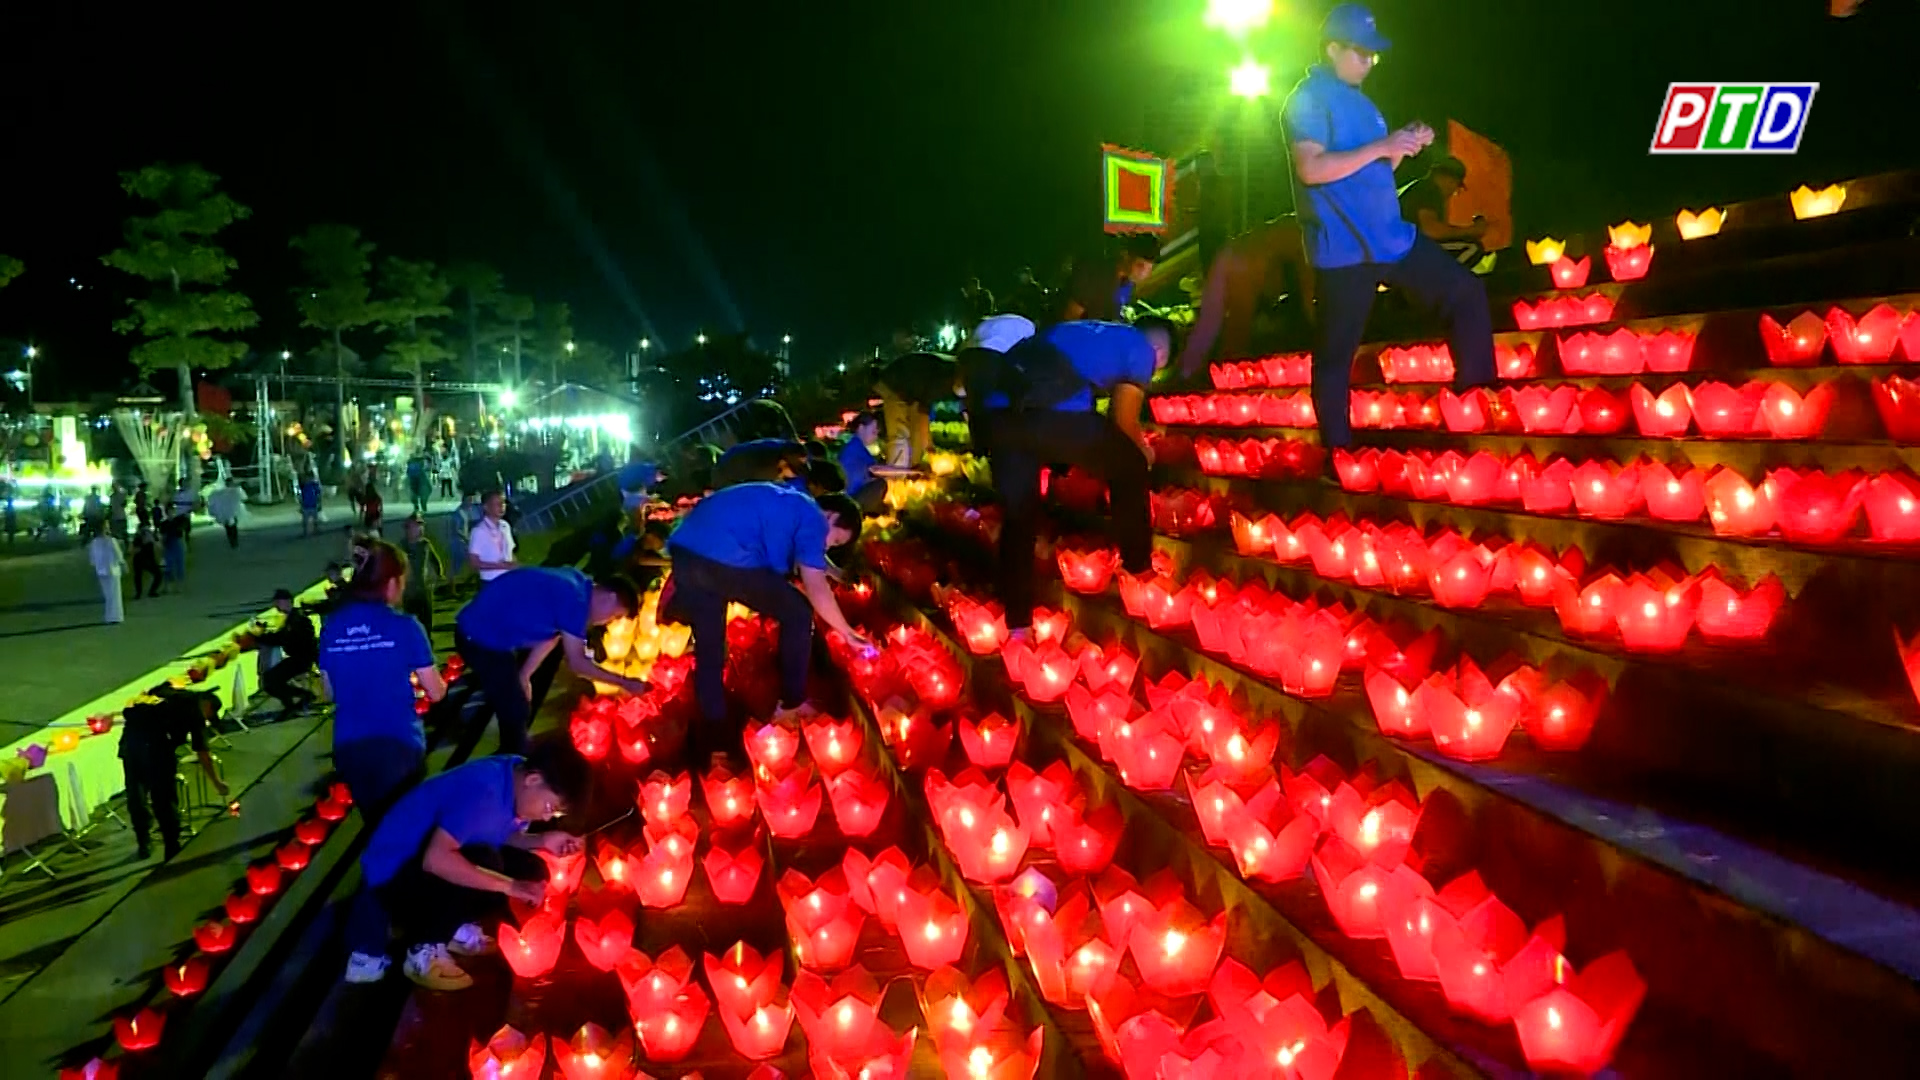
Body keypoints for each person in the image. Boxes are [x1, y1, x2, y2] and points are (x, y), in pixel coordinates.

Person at [1282, 3, 1494, 451]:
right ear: (1332, 48)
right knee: (1335, 357)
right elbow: (1310, 168)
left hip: (1392, 239)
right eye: (1361, 52)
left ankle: (1476, 410)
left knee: (1467, 293)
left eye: (1374, 54)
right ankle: (1339, 455)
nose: (1369, 62)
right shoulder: (1307, 98)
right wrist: (1383, 144)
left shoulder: (1364, 104)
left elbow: (1377, 168)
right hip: (1344, 250)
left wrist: (1402, 145)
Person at [979, 318, 1176, 640]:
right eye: (1158, 369)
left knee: (1019, 516)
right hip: (1052, 409)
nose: (1150, 374)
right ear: (1159, 350)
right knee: (1130, 465)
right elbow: (1124, 422)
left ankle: (1018, 625)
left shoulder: (1084, 331)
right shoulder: (1141, 348)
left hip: (1000, 415)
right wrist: (1145, 453)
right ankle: (1139, 570)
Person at [341, 739, 589, 990]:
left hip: (429, 857)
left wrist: (542, 840)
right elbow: (436, 860)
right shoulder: (485, 790)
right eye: (549, 807)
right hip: (393, 873)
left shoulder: (515, 772)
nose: (546, 817)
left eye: (555, 814)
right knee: (487, 862)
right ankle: (423, 951)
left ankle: (449, 925)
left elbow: (497, 832)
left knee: (531, 870)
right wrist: (511, 886)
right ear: (533, 779)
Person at [663, 484, 870, 766]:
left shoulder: (791, 504)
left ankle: (717, 745)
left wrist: (834, 571)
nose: (826, 546)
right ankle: (791, 703)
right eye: (834, 540)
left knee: (710, 652)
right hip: (728, 557)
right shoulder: (814, 519)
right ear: (831, 516)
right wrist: (845, 631)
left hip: (687, 554)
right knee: (798, 612)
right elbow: (815, 586)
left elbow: (812, 559)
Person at [453, 568, 648, 753]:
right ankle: (509, 761)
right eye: (614, 615)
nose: (608, 622)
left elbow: (551, 637)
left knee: (513, 696)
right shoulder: (575, 602)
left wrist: (525, 675)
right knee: (515, 708)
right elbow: (577, 663)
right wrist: (624, 682)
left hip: (489, 632)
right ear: (609, 598)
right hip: (478, 637)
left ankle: (511, 746)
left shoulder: (579, 584)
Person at [319, 539, 444, 819]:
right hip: (398, 742)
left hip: (350, 746)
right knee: (405, 825)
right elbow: (435, 691)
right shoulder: (405, 626)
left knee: (374, 824)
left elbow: (328, 692)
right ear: (391, 583)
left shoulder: (332, 626)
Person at [118, 689, 229, 859]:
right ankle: (171, 846)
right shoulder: (196, 711)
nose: (206, 719)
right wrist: (217, 782)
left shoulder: (174, 693)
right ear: (207, 705)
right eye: (209, 715)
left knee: (137, 797)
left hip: (132, 743)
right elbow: (202, 752)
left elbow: (150, 693)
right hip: (157, 749)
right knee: (164, 800)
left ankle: (144, 841)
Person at [872, 352, 961, 468]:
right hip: (895, 384)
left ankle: (915, 469)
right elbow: (923, 415)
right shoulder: (943, 380)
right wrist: (930, 449)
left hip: (913, 389)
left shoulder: (960, 375)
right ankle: (897, 475)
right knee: (900, 435)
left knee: (916, 436)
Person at [1399, 155, 1487, 265]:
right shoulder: (1429, 190)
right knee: (1471, 247)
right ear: (1450, 180)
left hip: (1396, 247)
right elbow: (1431, 231)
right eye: (1456, 188)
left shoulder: (1419, 187)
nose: (1453, 193)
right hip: (1404, 250)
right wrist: (1472, 231)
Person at [1060, 234, 1161, 323]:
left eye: (1149, 268)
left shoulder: (1127, 283)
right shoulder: (1096, 275)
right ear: (1126, 256)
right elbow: (1071, 318)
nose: (1144, 273)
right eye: (1140, 265)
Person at [256, 588, 320, 716]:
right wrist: (261, 637)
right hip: (298, 658)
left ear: (287, 601)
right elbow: (280, 637)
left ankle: (298, 700)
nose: (275, 606)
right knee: (270, 679)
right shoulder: (291, 618)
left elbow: (292, 639)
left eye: (277, 603)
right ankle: (299, 699)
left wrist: (267, 638)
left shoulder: (299, 619)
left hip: (302, 659)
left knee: (270, 680)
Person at [838, 412, 914, 514]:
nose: (875, 436)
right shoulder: (855, 447)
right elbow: (876, 470)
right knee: (880, 484)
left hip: (850, 497)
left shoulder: (855, 446)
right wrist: (909, 471)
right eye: (873, 432)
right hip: (852, 498)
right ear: (861, 428)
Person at [399, 513, 446, 636]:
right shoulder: (402, 546)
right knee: (410, 622)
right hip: (408, 591)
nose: (419, 529)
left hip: (424, 588)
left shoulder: (425, 544)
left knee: (427, 620)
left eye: (420, 525)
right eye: (416, 526)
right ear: (408, 528)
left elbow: (435, 560)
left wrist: (439, 574)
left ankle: (428, 642)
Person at [712, 438, 809, 489]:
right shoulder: (768, 468)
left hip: (727, 465)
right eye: (795, 471)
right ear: (783, 464)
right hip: (725, 479)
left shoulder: (779, 448)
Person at [467, 489, 515, 584]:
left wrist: (514, 566)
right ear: (486, 507)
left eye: (503, 503)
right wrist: (500, 566)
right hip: (490, 581)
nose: (501, 506)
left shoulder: (505, 526)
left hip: (508, 578)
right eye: (497, 504)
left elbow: (510, 553)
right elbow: (474, 562)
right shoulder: (479, 531)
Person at [88, 529, 127, 625]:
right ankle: (116, 616)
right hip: (113, 570)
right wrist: (123, 563)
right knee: (115, 594)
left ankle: (109, 616)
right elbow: (118, 554)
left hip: (101, 571)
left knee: (108, 595)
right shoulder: (111, 540)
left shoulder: (94, 543)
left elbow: (92, 559)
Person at [208, 476, 247, 548]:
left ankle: (232, 540)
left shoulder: (228, 491)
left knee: (230, 526)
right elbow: (244, 498)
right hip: (231, 512)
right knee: (232, 526)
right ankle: (233, 540)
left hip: (228, 512)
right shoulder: (233, 491)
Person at [130, 522, 163, 599]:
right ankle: (141, 593)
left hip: (146, 559)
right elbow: (134, 550)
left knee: (156, 574)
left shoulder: (148, 536)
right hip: (142, 559)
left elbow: (158, 545)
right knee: (139, 576)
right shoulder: (139, 537)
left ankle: (147, 592)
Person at [159, 511, 189, 588]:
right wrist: (162, 546)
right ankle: (167, 586)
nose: (171, 514)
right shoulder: (164, 524)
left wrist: (184, 545)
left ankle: (179, 585)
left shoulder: (178, 521)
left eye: (172, 512)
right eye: (169, 512)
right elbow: (162, 536)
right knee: (167, 567)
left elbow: (182, 533)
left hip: (177, 542)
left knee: (180, 566)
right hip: (169, 544)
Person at [298, 471, 323, 536]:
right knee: (305, 520)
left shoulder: (314, 485)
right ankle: (306, 531)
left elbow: (318, 495)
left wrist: (319, 503)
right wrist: (301, 505)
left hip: (313, 505)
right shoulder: (303, 486)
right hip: (306, 505)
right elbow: (300, 496)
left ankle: (315, 529)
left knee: (315, 519)